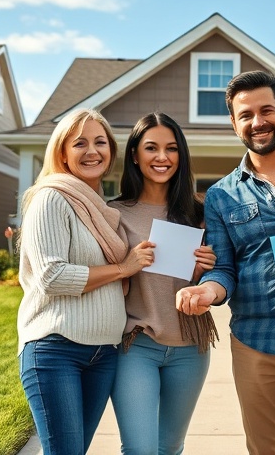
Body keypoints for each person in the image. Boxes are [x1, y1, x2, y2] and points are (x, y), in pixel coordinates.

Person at [176, 70, 275, 455]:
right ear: (234, 123)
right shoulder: (220, 196)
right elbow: (224, 268)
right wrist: (208, 290)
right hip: (254, 342)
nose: (257, 121)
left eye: (267, 110)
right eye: (245, 115)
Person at [16, 108, 155, 455]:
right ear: (62, 151)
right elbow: (52, 276)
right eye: (80, 143)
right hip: (55, 348)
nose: (92, 151)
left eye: (100, 142)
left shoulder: (100, 208)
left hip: (103, 352)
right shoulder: (51, 197)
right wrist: (123, 268)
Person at [108, 112, 218, 455]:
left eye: (171, 149)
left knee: (169, 448)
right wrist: (127, 266)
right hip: (137, 345)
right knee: (140, 449)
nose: (162, 157)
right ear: (134, 155)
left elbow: (212, 281)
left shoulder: (199, 212)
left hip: (190, 347)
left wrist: (207, 270)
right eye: (151, 148)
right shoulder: (114, 213)